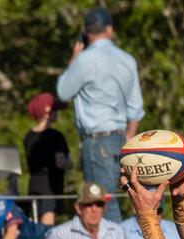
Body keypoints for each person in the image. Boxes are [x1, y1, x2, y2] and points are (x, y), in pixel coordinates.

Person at [56, 7, 144, 222]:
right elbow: (136, 107)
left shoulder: (84, 60)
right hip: (120, 138)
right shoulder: (127, 60)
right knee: (111, 198)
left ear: (86, 33)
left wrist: (74, 58)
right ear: (110, 30)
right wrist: (128, 139)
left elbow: (63, 92)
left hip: (96, 141)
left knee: (100, 203)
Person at [24, 92, 71, 225]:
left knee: (35, 221)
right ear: (48, 113)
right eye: (56, 110)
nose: (58, 113)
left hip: (33, 184)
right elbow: (60, 162)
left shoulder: (28, 136)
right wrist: (71, 164)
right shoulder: (56, 136)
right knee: (47, 224)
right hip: (50, 186)